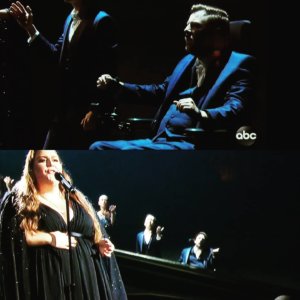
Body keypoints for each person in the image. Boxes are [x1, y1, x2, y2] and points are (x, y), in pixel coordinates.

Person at [90, 3, 255, 150]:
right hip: (159, 140)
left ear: (216, 36)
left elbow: (234, 109)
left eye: (196, 26)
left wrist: (200, 113)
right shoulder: (187, 62)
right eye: (187, 25)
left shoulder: (240, 65)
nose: (186, 30)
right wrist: (117, 86)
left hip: (191, 142)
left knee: (127, 154)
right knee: (98, 147)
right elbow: (159, 92)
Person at [0, 150, 127, 299]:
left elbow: (94, 231)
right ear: (31, 168)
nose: (50, 164)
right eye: (42, 160)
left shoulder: (76, 198)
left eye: (55, 160)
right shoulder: (21, 199)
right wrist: (49, 238)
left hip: (87, 275)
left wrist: (99, 243)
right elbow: (15, 238)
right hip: (50, 277)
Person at [8, 0, 118, 148]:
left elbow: (109, 69)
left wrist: (96, 109)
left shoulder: (102, 21)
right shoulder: (70, 18)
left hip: (85, 115)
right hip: (63, 110)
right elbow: (56, 55)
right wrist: (30, 28)